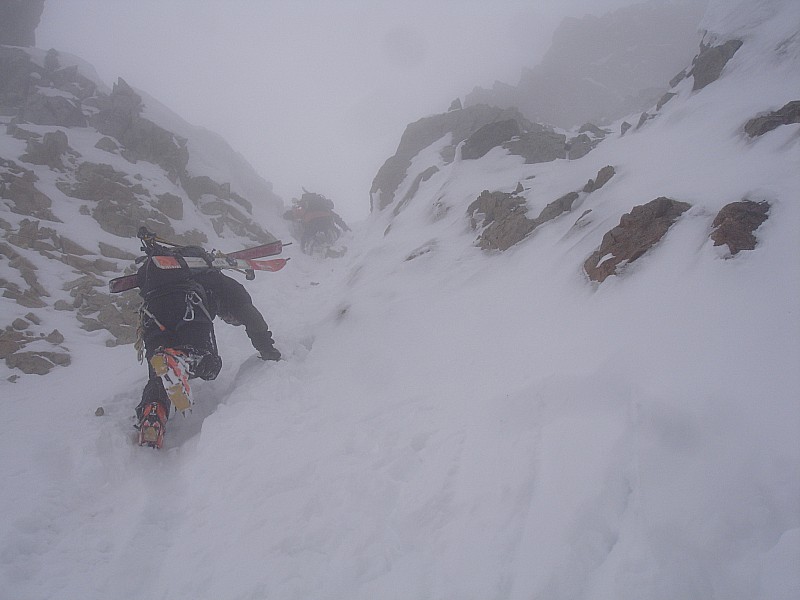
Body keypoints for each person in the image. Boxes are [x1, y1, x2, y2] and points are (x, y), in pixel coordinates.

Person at [134, 243, 280, 448]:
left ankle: (153, 416)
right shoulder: (223, 284)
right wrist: (268, 349)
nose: (229, 320)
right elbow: (252, 317)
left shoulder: (171, 277)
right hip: (186, 305)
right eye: (230, 320)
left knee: (162, 373)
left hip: (152, 313)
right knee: (208, 363)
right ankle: (183, 360)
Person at [283, 191, 350, 254]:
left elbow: (295, 214)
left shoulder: (304, 207)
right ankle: (334, 242)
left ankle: (304, 252)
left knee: (306, 237)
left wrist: (286, 215)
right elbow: (337, 218)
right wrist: (346, 228)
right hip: (327, 221)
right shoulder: (325, 208)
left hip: (312, 223)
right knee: (334, 232)